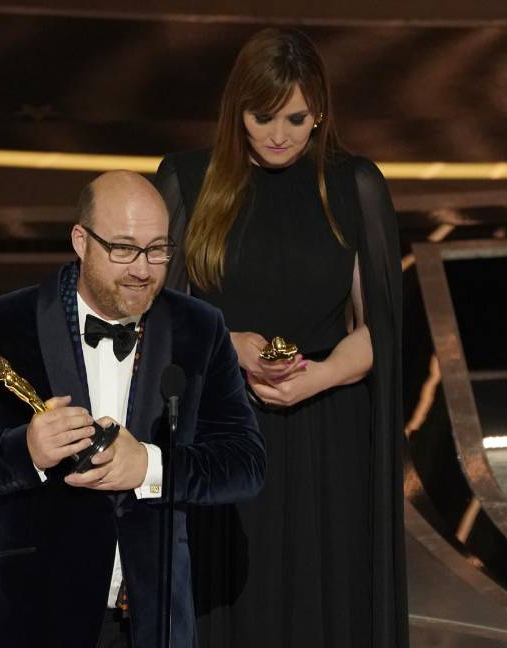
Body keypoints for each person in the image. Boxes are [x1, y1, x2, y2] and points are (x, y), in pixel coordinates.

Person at [0, 171, 266, 648]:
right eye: (122, 248)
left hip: (152, 621)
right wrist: (27, 451)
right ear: (80, 240)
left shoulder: (200, 329)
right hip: (29, 616)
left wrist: (149, 466)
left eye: (158, 249)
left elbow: (245, 464)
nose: (143, 269)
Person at [154, 27, 407, 648]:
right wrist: (228, 346)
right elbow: (154, 314)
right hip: (221, 424)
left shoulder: (356, 185)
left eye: (295, 117)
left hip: (327, 432)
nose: (277, 133)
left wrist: (319, 376)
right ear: (236, 110)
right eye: (261, 115)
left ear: (319, 112)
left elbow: (380, 331)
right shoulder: (188, 179)